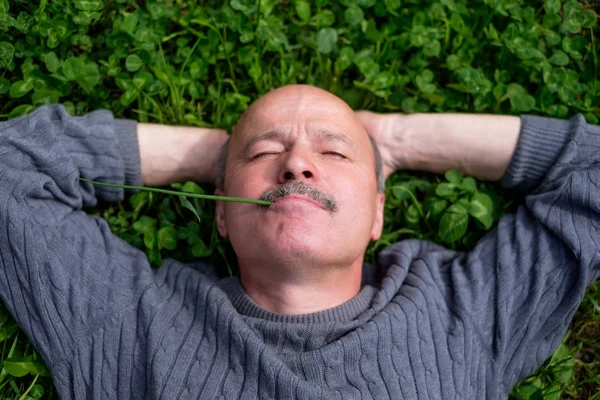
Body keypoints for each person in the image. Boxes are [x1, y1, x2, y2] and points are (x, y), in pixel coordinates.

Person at [0, 84, 598, 399]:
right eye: (265, 154)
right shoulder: (130, 320)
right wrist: (214, 154)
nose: (296, 166)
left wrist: (398, 139)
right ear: (223, 219)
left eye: (334, 152)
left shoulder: (463, 313)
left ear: (377, 216)